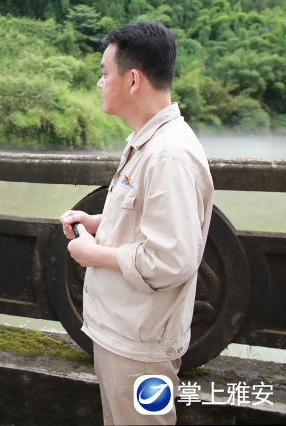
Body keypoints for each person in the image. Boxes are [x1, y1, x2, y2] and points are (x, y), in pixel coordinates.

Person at [59, 22, 214, 425]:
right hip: (124, 332)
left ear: (132, 79)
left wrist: (94, 253)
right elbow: (145, 219)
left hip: (140, 346)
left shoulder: (167, 155)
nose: (99, 82)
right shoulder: (148, 141)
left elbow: (171, 260)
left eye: (104, 72)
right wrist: (99, 220)